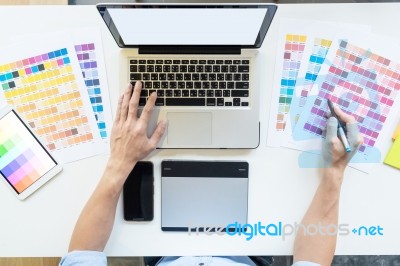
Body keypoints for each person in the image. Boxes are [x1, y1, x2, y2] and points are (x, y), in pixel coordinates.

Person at [59, 82, 362, 266]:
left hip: (164, 255)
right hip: (248, 254)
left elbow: (81, 254)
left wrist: (120, 162)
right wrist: (335, 172)